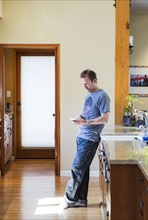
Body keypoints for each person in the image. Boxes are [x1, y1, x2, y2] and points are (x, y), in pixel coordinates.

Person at [60, 69, 110, 209]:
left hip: (90, 138)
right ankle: (81, 199)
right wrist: (80, 118)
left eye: (87, 84)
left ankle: (69, 198)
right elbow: (87, 115)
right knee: (84, 169)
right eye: (83, 84)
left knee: (77, 167)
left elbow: (105, 118)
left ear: (94, 80)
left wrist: (86, 123)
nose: (85, 87)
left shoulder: (102, 96)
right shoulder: (89, 97)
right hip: (81, 136)